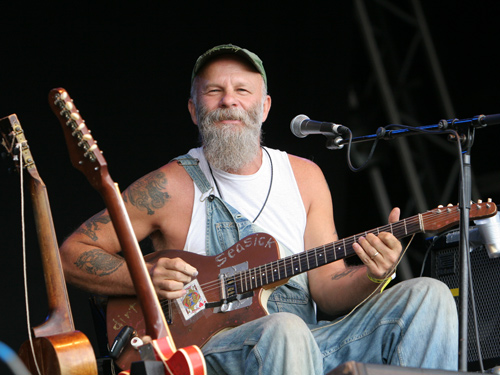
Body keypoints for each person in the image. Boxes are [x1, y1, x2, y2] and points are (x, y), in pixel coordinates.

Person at [59, 44, 458, 374]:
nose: (229, 100)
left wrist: (375, 274)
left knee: (429, 294)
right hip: (211, 354)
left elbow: (328, 290)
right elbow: (71, 254)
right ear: (194, 110)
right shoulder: (170, 186)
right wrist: (143, 275)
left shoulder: (305, 177)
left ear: (264, 107)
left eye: (242, 91)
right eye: (214, 91)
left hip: (311, 343)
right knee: (283, 330)